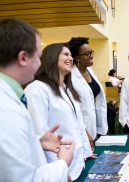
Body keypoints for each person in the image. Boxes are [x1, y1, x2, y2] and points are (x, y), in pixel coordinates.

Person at [0, 17, 74, 182]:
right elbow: (23, 179)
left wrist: (37, 144)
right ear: (23, 58)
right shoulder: (5, 108)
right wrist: (63, 162)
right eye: (39, 56)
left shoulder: (11, 97)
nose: (41, 63)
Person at [24, 43, 93, 181]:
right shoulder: (37, 89)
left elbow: (78, 125)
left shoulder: (67, 90)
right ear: (52, 57)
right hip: (57, 168)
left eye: (71, 55)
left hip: (77, 164)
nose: (71, 58)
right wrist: (56, 171)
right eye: (66, 54)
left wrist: (86, 151)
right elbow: (40, 135)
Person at [68, 37, 108, 144]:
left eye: (91, 52)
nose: (91, 56)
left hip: (96, 127)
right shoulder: (70, 77)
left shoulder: (90, 71)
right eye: (87, 54)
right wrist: (84, 131)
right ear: (77, 57)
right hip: (82, 130)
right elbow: (72, 110)